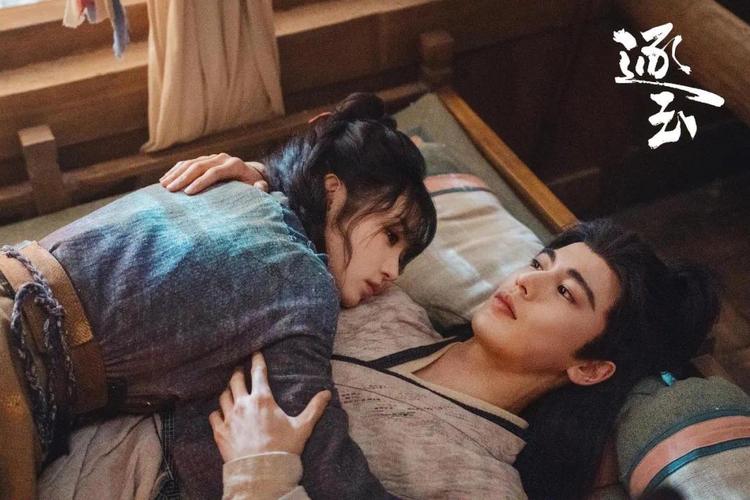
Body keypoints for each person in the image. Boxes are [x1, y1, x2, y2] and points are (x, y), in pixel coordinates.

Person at [0, 93, 437, 499]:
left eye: (405, 259)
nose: (392, 271)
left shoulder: (236, 189)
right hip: (14, 360)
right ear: (332, 188)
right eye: (391, 235)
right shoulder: (300, 277)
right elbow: (320, 453)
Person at [201, 218, 720, 499]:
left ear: (589, 368)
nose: (527, 281)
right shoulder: (385, 305)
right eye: (539, 264)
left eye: (565, 292)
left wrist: (262, 476)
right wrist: (258, 184)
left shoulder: (479, 483)